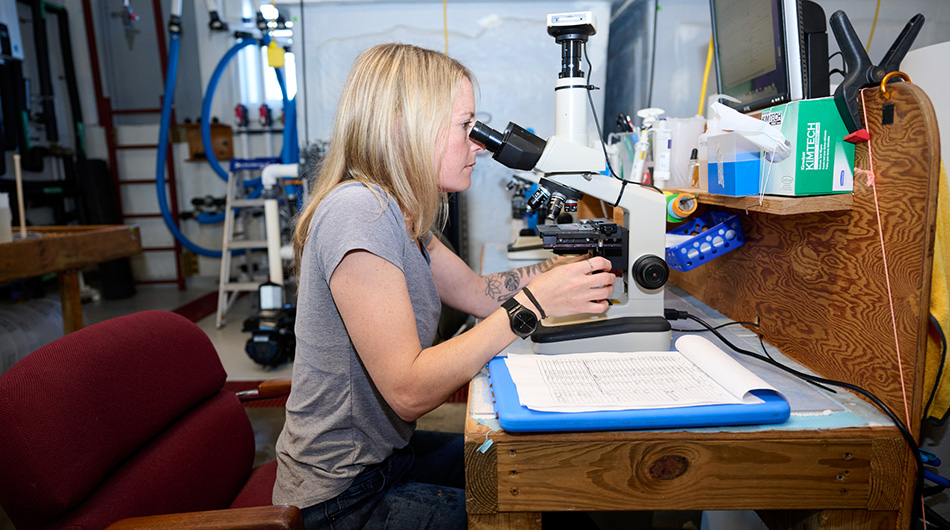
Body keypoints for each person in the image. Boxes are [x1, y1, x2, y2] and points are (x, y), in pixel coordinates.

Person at [273, 43, 615, 530]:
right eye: (465, 126)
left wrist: (560, 275)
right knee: (549, 516)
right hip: (340, 499)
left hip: (390, 459)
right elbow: (409, 390)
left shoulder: (402, 215)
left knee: (548, 478)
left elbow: (478, 292)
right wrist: (534, 306)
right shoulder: (359, 213)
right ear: (403, 124)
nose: (478, 144)